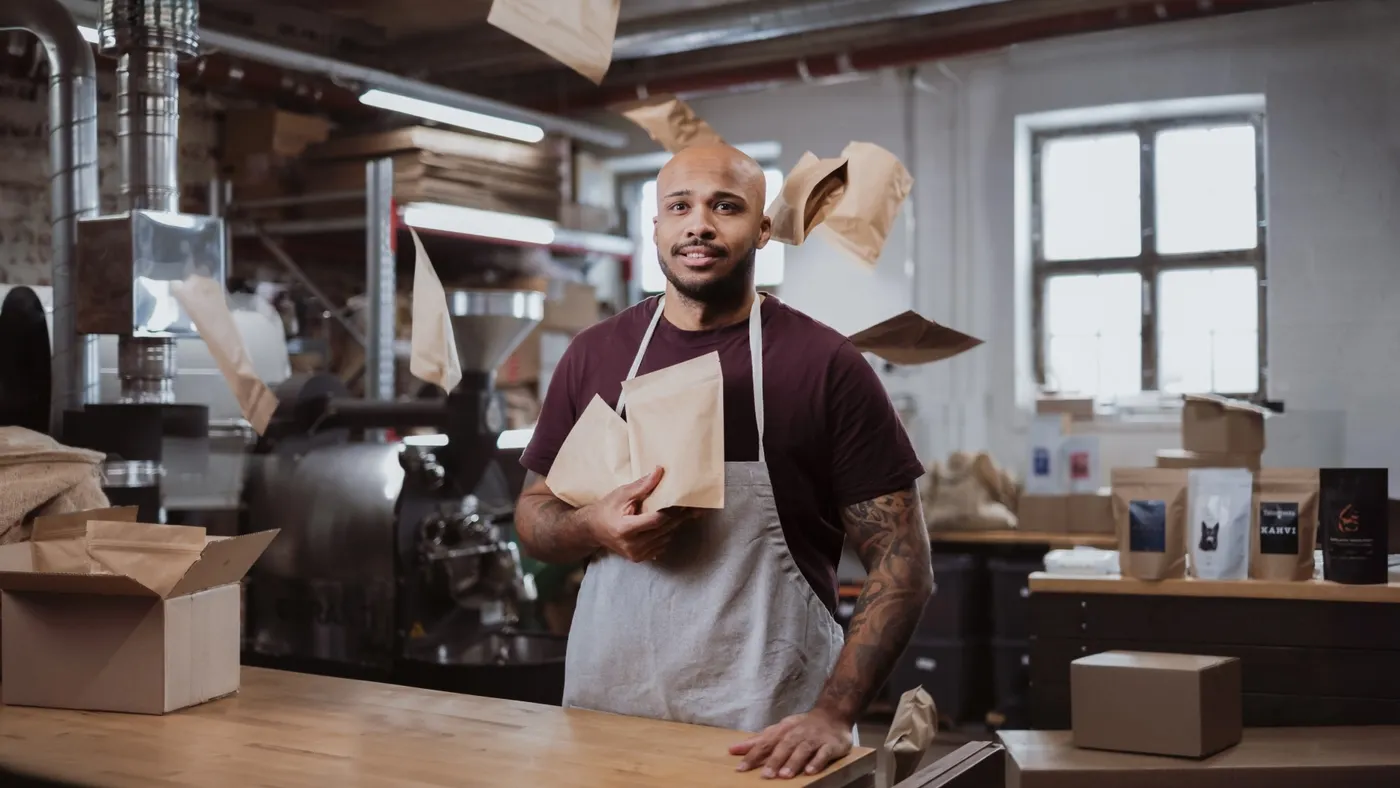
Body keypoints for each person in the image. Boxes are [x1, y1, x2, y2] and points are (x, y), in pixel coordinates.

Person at [515, 144, 934, 780]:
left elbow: (904, 564)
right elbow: (535, 514)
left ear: (763, 229)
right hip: (608, 716)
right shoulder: (594, 356)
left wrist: (834, 713)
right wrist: (591, 526)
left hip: (768, 735)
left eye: (726, 207)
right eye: (679, 206)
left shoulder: (825, 366)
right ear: (655, 227)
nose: (699, 224)